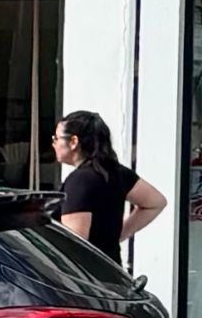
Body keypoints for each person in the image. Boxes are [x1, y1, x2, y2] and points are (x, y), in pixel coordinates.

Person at [49, 109, 166, 258]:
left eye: (56, 138)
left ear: (73, 142)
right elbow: (155, 202)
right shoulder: (117, 173)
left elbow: (75, 246)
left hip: (88, 277)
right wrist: (119, 235)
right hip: (113, 271)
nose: (54, 144)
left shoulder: (79, 181)